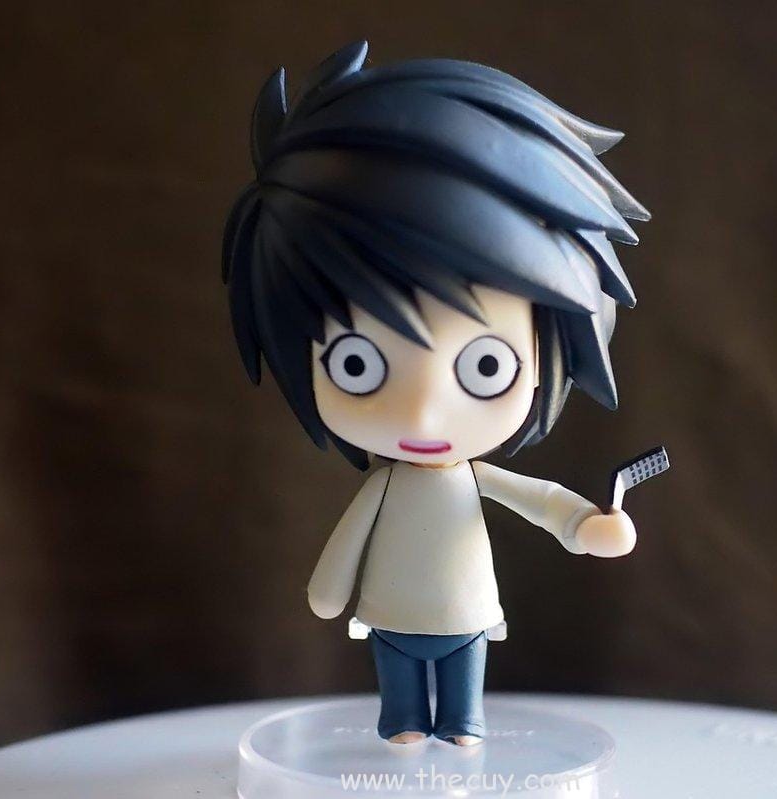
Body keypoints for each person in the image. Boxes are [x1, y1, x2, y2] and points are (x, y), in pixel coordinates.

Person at [222, 41, 648, 746]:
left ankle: (461, 718)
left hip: (466, 619)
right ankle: (402, 718)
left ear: (546, 356)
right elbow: (344, 552)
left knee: (462, 709)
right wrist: (330, 590)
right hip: (391, 619)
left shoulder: (466, 478)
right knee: (400, 704)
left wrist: (586, 525)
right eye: (359, 365)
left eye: (485, 366)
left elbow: (542, 502)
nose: (421, 413)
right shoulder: (388, 486)